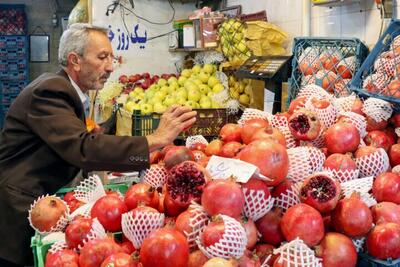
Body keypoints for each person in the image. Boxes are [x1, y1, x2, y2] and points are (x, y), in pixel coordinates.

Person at [0, 23, 196, 267]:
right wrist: (155, 139)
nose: (111, 66)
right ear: (75, 60)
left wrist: (134, 147)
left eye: (112, 57)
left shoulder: (65, 90)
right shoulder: (51, 90)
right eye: (102, 57)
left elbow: (74, 141)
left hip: (43, 204)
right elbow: (84, 149)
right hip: (20, 213)